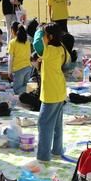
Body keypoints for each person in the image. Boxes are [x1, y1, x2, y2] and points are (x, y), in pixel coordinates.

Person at [33, 23, 69, 162]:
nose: (42, 38)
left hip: (51, 93)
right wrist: (43, 31)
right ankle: (57, 150)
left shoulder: (49, 50)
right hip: (59, 90)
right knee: (57, 123)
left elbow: (36, 44)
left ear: (50, 37)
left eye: (44, 36)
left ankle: (43, 156)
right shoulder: (60, 47)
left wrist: (39, 30)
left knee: (44, 123)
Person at [8, 22, 32, 95]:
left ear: (12, 30)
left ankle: (34, 88)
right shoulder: (27, 41)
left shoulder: (12, 42)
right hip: (28, 67)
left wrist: (9, 72)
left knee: (17, 90)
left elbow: (10, 59)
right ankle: (32, 89)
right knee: (25, 86)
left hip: (19, 69)